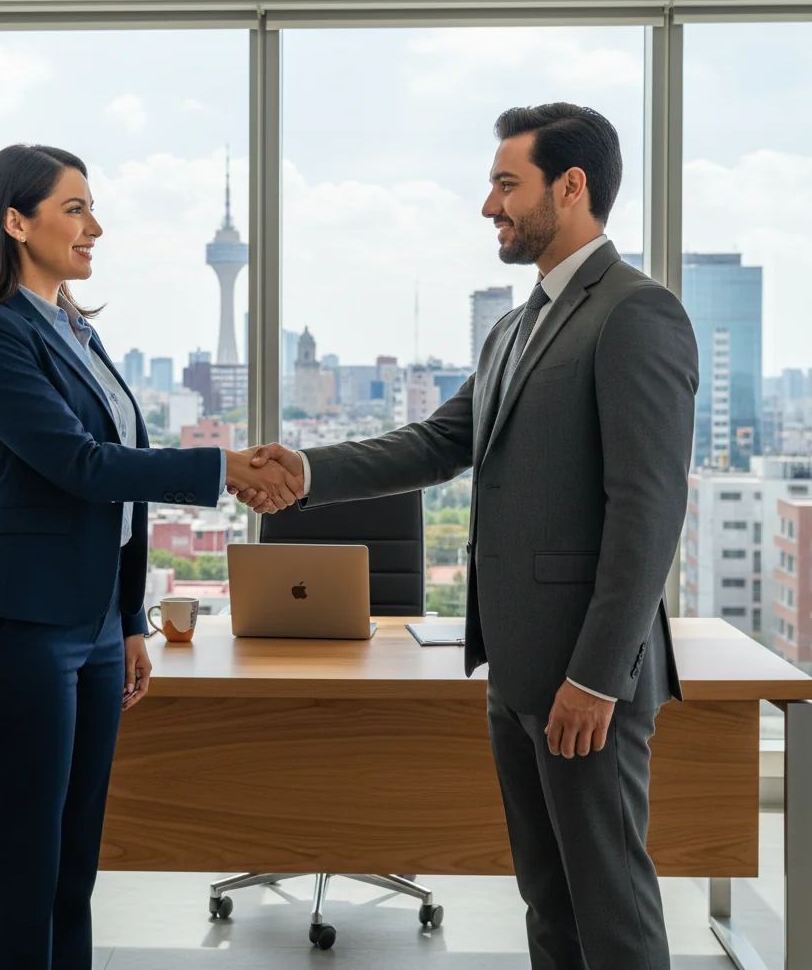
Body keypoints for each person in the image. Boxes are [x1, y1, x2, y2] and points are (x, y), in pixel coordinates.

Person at [239, 105, 698, 970]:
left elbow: (647, 510)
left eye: (505, 184)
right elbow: (438, 442)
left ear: (571, 187)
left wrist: (597, 677)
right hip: (517, 668)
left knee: (612, 905)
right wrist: (304, 473)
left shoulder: (636, 313)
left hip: (584, 675)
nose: (488, 206)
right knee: (548, 900)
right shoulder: (515, 327)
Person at [0, 144, 302, 970]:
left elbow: (121, 494)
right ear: (14, 220)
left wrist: (129, 620)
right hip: (20, 626)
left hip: (95, 629)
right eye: (75, 208)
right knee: (23, 859)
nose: (94, 227)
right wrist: (220, 469)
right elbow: (80, 466)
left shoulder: (76, 331)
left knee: (73, 864)